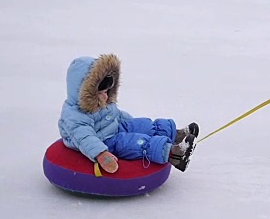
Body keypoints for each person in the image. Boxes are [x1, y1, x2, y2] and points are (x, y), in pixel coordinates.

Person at [58, 54, 200, 173]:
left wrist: (134, 125)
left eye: (107, 92)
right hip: (104, 141)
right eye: (101, 93)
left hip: (115, 128)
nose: (105, 96)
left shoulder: (102, 102)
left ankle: (175, 134)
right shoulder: (75, 116)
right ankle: (174, 154)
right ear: (83, 93)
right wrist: (101, 154)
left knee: (145, 125)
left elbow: (116, 115)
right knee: (135, 142)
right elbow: (85, 138)